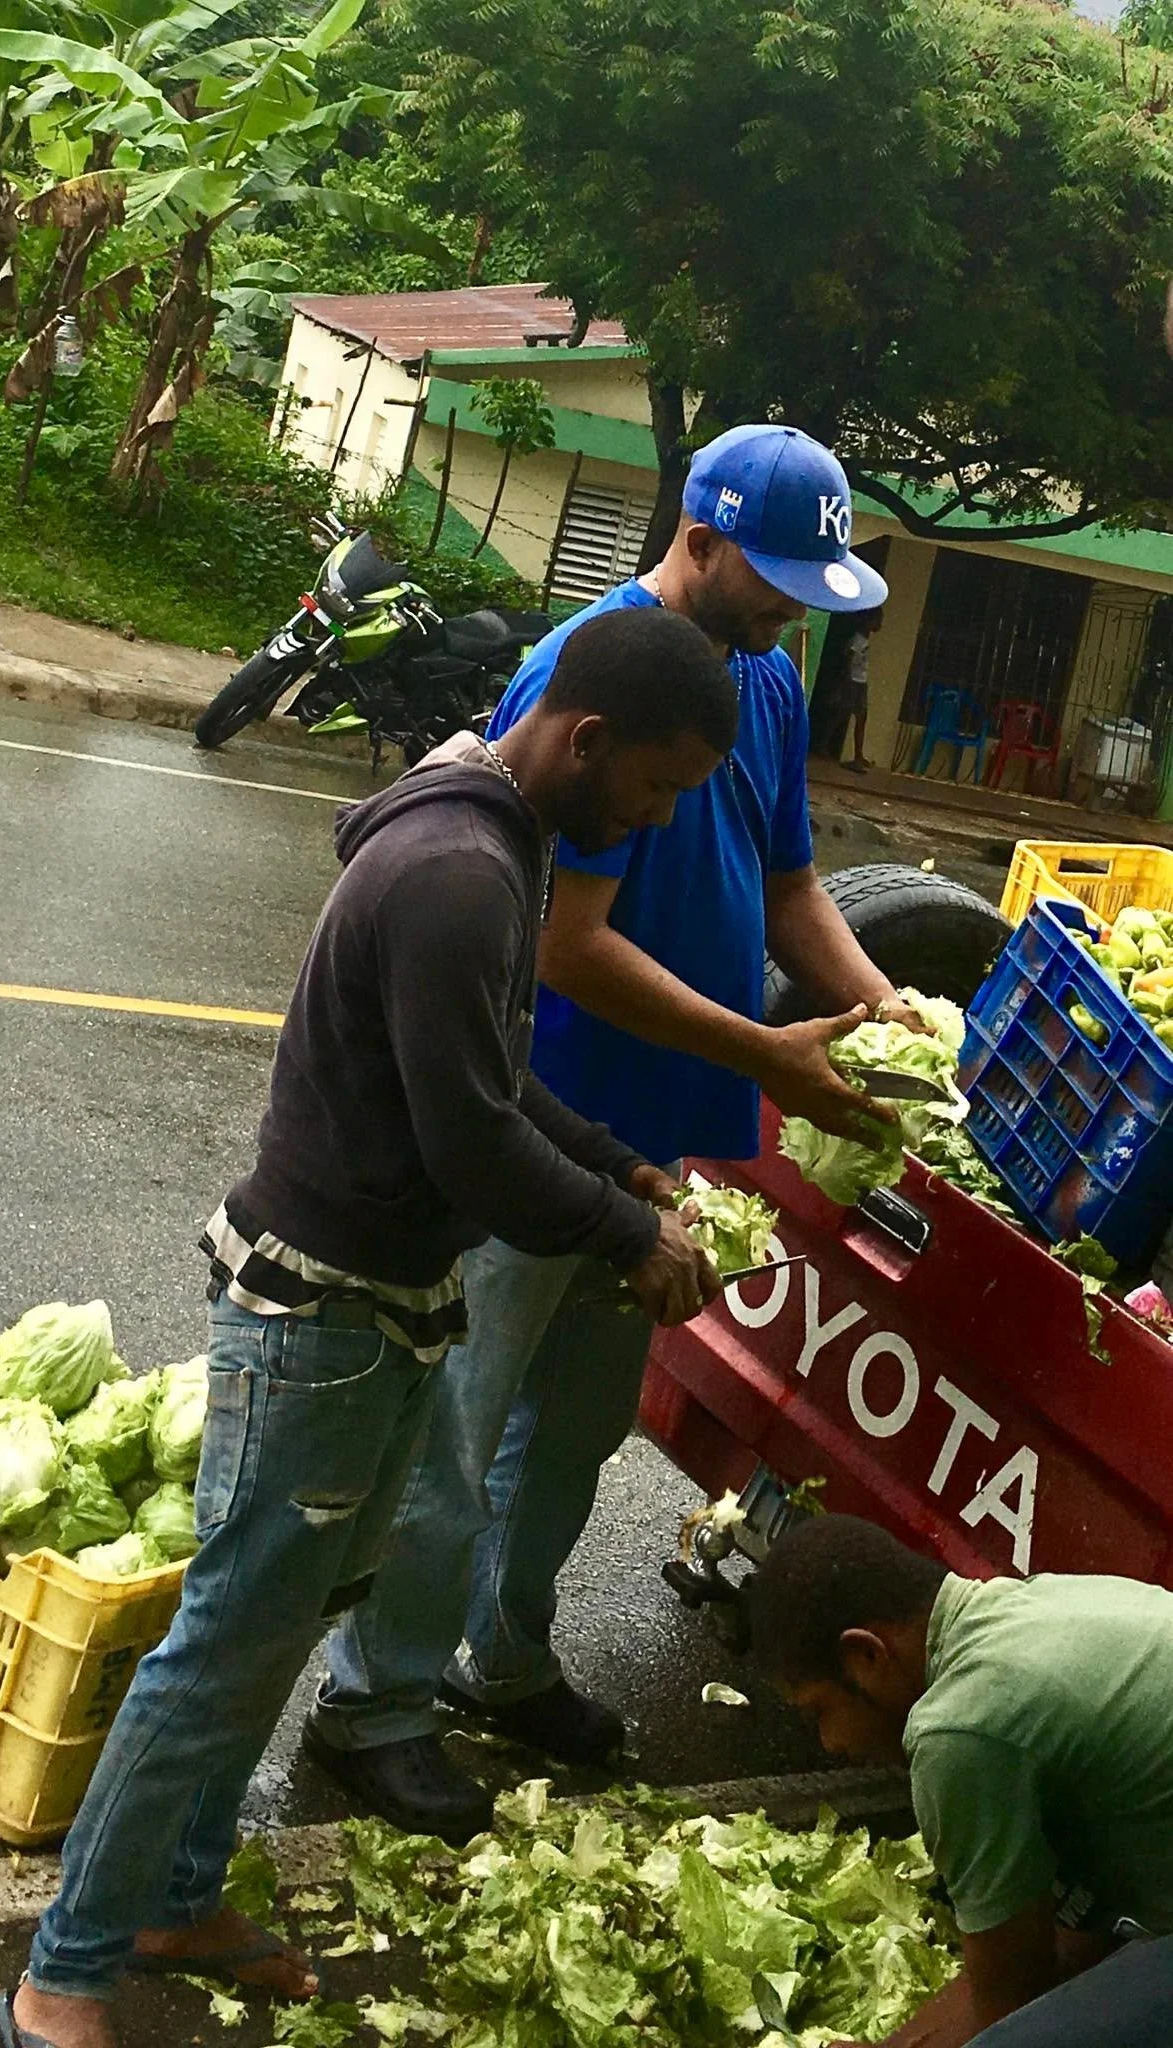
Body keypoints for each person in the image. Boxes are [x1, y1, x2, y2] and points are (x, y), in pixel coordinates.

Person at [0, 605, 739, 2048]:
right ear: (587, 740)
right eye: (653, 789)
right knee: (219, 1648)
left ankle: (178, 1898)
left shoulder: (506, 836)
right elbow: (464, 1141)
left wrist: (613, 1162)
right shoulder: (458, 868)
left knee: (291, 1621)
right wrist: (623, 1237)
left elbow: (488, 1073)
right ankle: (60, 1975)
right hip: (319, 1313)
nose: (652, 821)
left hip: (392, 1307)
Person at [310, 422, 921, 1844]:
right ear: (694, 542)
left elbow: (787, 889)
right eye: (766, 580)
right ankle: (374, 1701)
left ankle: (500, 1656)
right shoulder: (594, 678)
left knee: (574, 1427)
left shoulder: (756, 680)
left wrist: (889, 1012)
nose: (784, 616)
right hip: (546, 1129)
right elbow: (566, 946)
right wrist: (766, 1049)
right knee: (458, 1430)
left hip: (663, 1141)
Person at [748, 1514, 1173, 2048]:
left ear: (867, 1654)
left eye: (819, 1713)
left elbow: (1011, 2004)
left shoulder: (958, 1729)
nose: (829, 1743)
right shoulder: (1021, 1604)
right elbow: (1073, 1938)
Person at [845, 605, 885, 772]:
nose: (880, 624)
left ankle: (858, 755)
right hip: (854, 681)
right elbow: (847, 658)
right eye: (877, 620)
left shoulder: (865, 639)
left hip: (860, 681)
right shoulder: (858, 640)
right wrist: (847, 680)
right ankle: (856, 757)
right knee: (857, 716)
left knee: (853, 715)